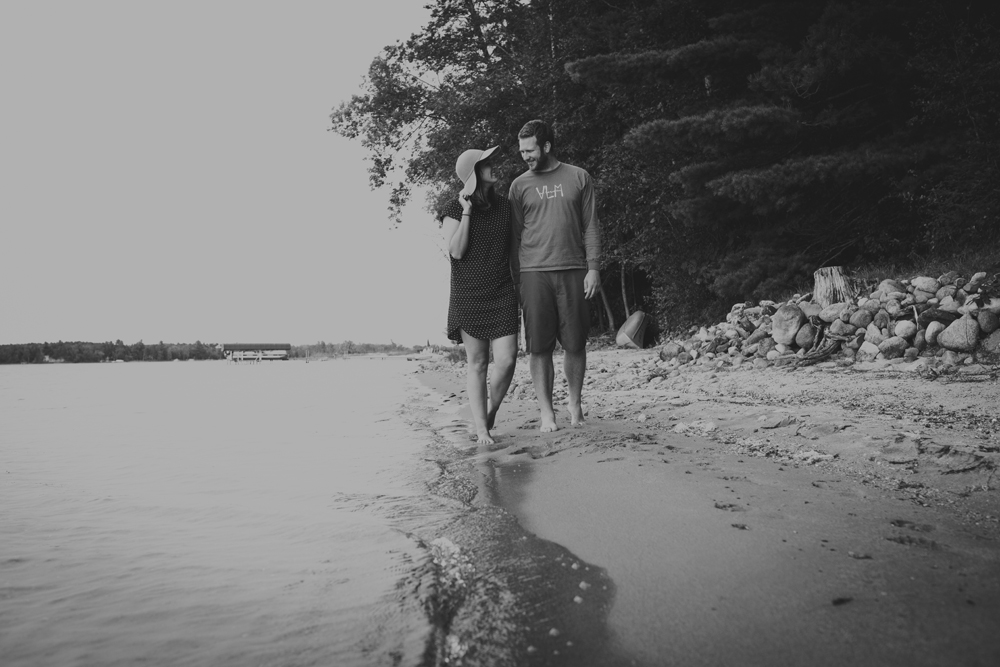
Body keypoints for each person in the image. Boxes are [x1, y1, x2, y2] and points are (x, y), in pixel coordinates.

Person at [508, 120, 601, 432]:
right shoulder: (518, 186)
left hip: (573, 268)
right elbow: (514, 237)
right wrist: (516, 280)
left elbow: (591, 225)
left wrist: (593, 268)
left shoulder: (578, 177)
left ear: (546, 146)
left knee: (575, 343)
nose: (525, 156)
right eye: (522, 151)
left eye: (530, 150)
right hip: (533, 273)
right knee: (539, 348)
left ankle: (574, 403)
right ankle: (546, 412)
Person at [440, 146, 520, 444]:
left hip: (501, 290)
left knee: (507, 360)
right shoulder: (453, 208)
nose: (493, 166)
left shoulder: (506, 206)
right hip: (468, 294)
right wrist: (467, 211)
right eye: (487, 164)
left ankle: (490, 412)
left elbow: (515, 250)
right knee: (478, 363)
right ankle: (482, 429)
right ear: (473, 173)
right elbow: (456, 251)